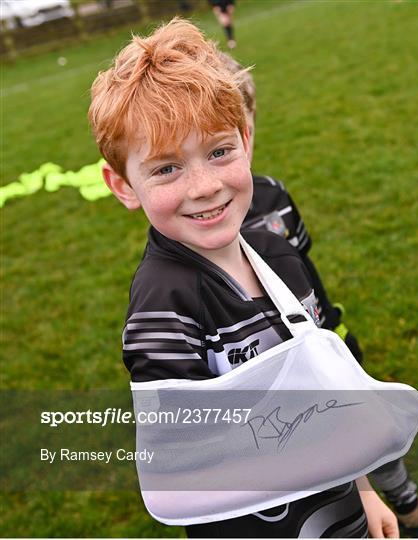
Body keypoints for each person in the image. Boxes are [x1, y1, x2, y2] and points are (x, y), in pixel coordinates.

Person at [89, 18, 400, 538]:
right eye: (166, 168)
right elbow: (178, 472)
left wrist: (364, 489)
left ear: (246, 140)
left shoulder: (280, 257)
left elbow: (326, 396)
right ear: (122, 185)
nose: (205, 186)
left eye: (218, 152)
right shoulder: (163, 305)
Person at [217, 53, 418, 537]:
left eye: (245, 124)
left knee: (373, 427)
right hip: (273, 381)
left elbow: (308, 274)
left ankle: (411, 510)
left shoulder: (274, 197)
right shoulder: (199, 239)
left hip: (323, 339)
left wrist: (334, 328)